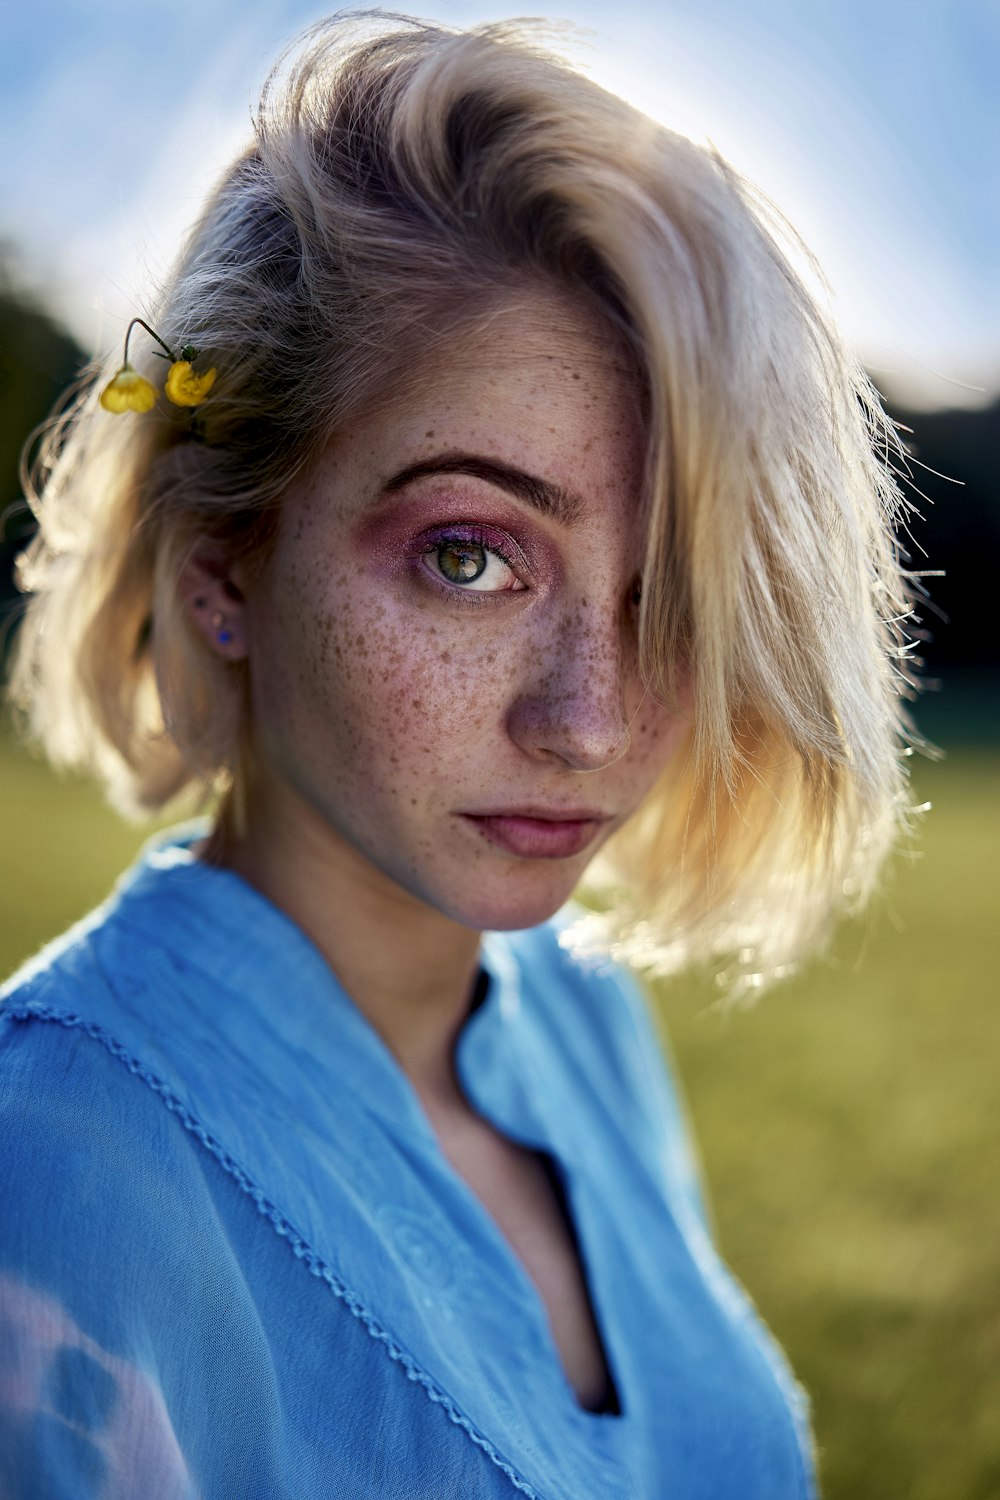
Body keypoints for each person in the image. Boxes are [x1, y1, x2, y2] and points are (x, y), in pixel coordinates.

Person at [0, 13, 919, 1499]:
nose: (596, 721)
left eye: (671, 593)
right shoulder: (46, 1187)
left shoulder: (579, 1020)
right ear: (226, 567)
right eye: (469, 558)